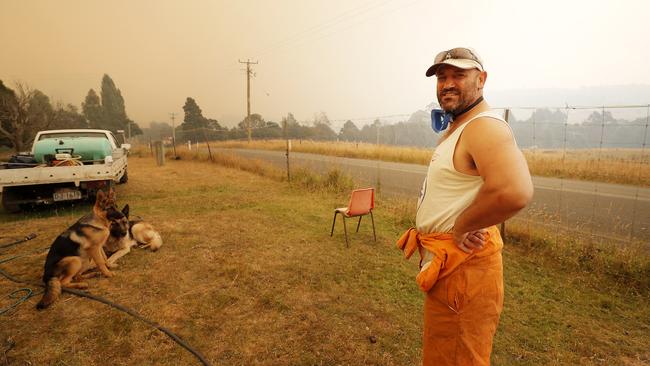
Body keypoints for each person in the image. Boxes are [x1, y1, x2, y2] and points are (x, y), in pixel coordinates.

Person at [397, 47, 533, 365]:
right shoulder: (460, 126)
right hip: (450, 267)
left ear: (481, 79)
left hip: (464, 268)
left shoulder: (484, 126)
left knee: (458, 358)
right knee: (444, 354)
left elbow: (515, 191)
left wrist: (462, 225)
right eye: (442, 76)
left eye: (459, 75)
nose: (447, 83)